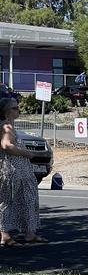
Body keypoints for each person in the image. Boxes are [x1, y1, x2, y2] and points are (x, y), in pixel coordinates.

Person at [0, 98, 45, 247]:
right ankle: (5, 235)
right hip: (11, 168)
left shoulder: (10, 126)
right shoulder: (6, 126)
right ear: (7, 111)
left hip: (22, 169)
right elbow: (6, 145)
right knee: (8, 200)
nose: (18, 110)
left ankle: (29, 233)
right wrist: (26, 153)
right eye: (15, 108)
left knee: (28, 198)